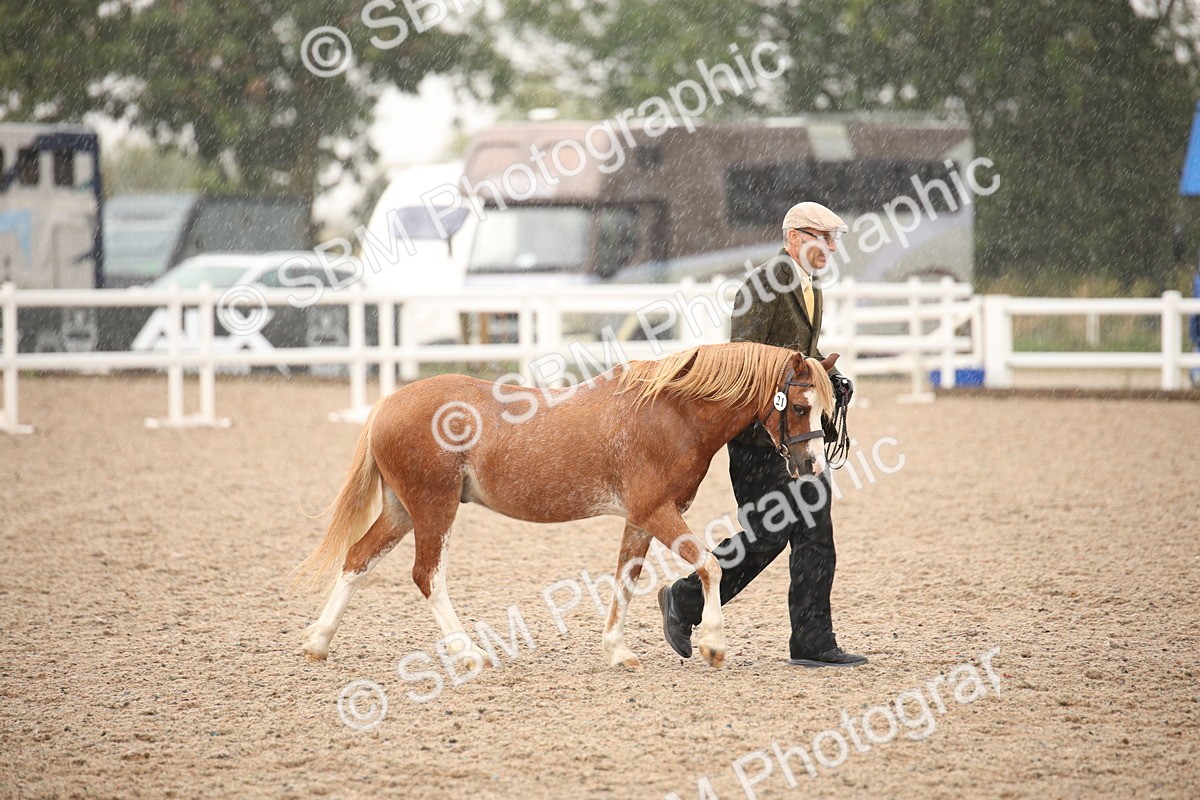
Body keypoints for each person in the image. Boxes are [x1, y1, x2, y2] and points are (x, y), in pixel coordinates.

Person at [657, 201, 867, 667]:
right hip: (759, 438)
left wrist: (826, 380)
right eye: (823, 237)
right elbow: (744, 360)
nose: (831, 248)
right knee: (769, 533)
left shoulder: (810, 286)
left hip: (795, 436)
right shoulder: (763, 285)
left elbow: (795, 362)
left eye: (834, 240)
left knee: (815, 531)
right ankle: (686, 600)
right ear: (794, 238)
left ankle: (812, 639)